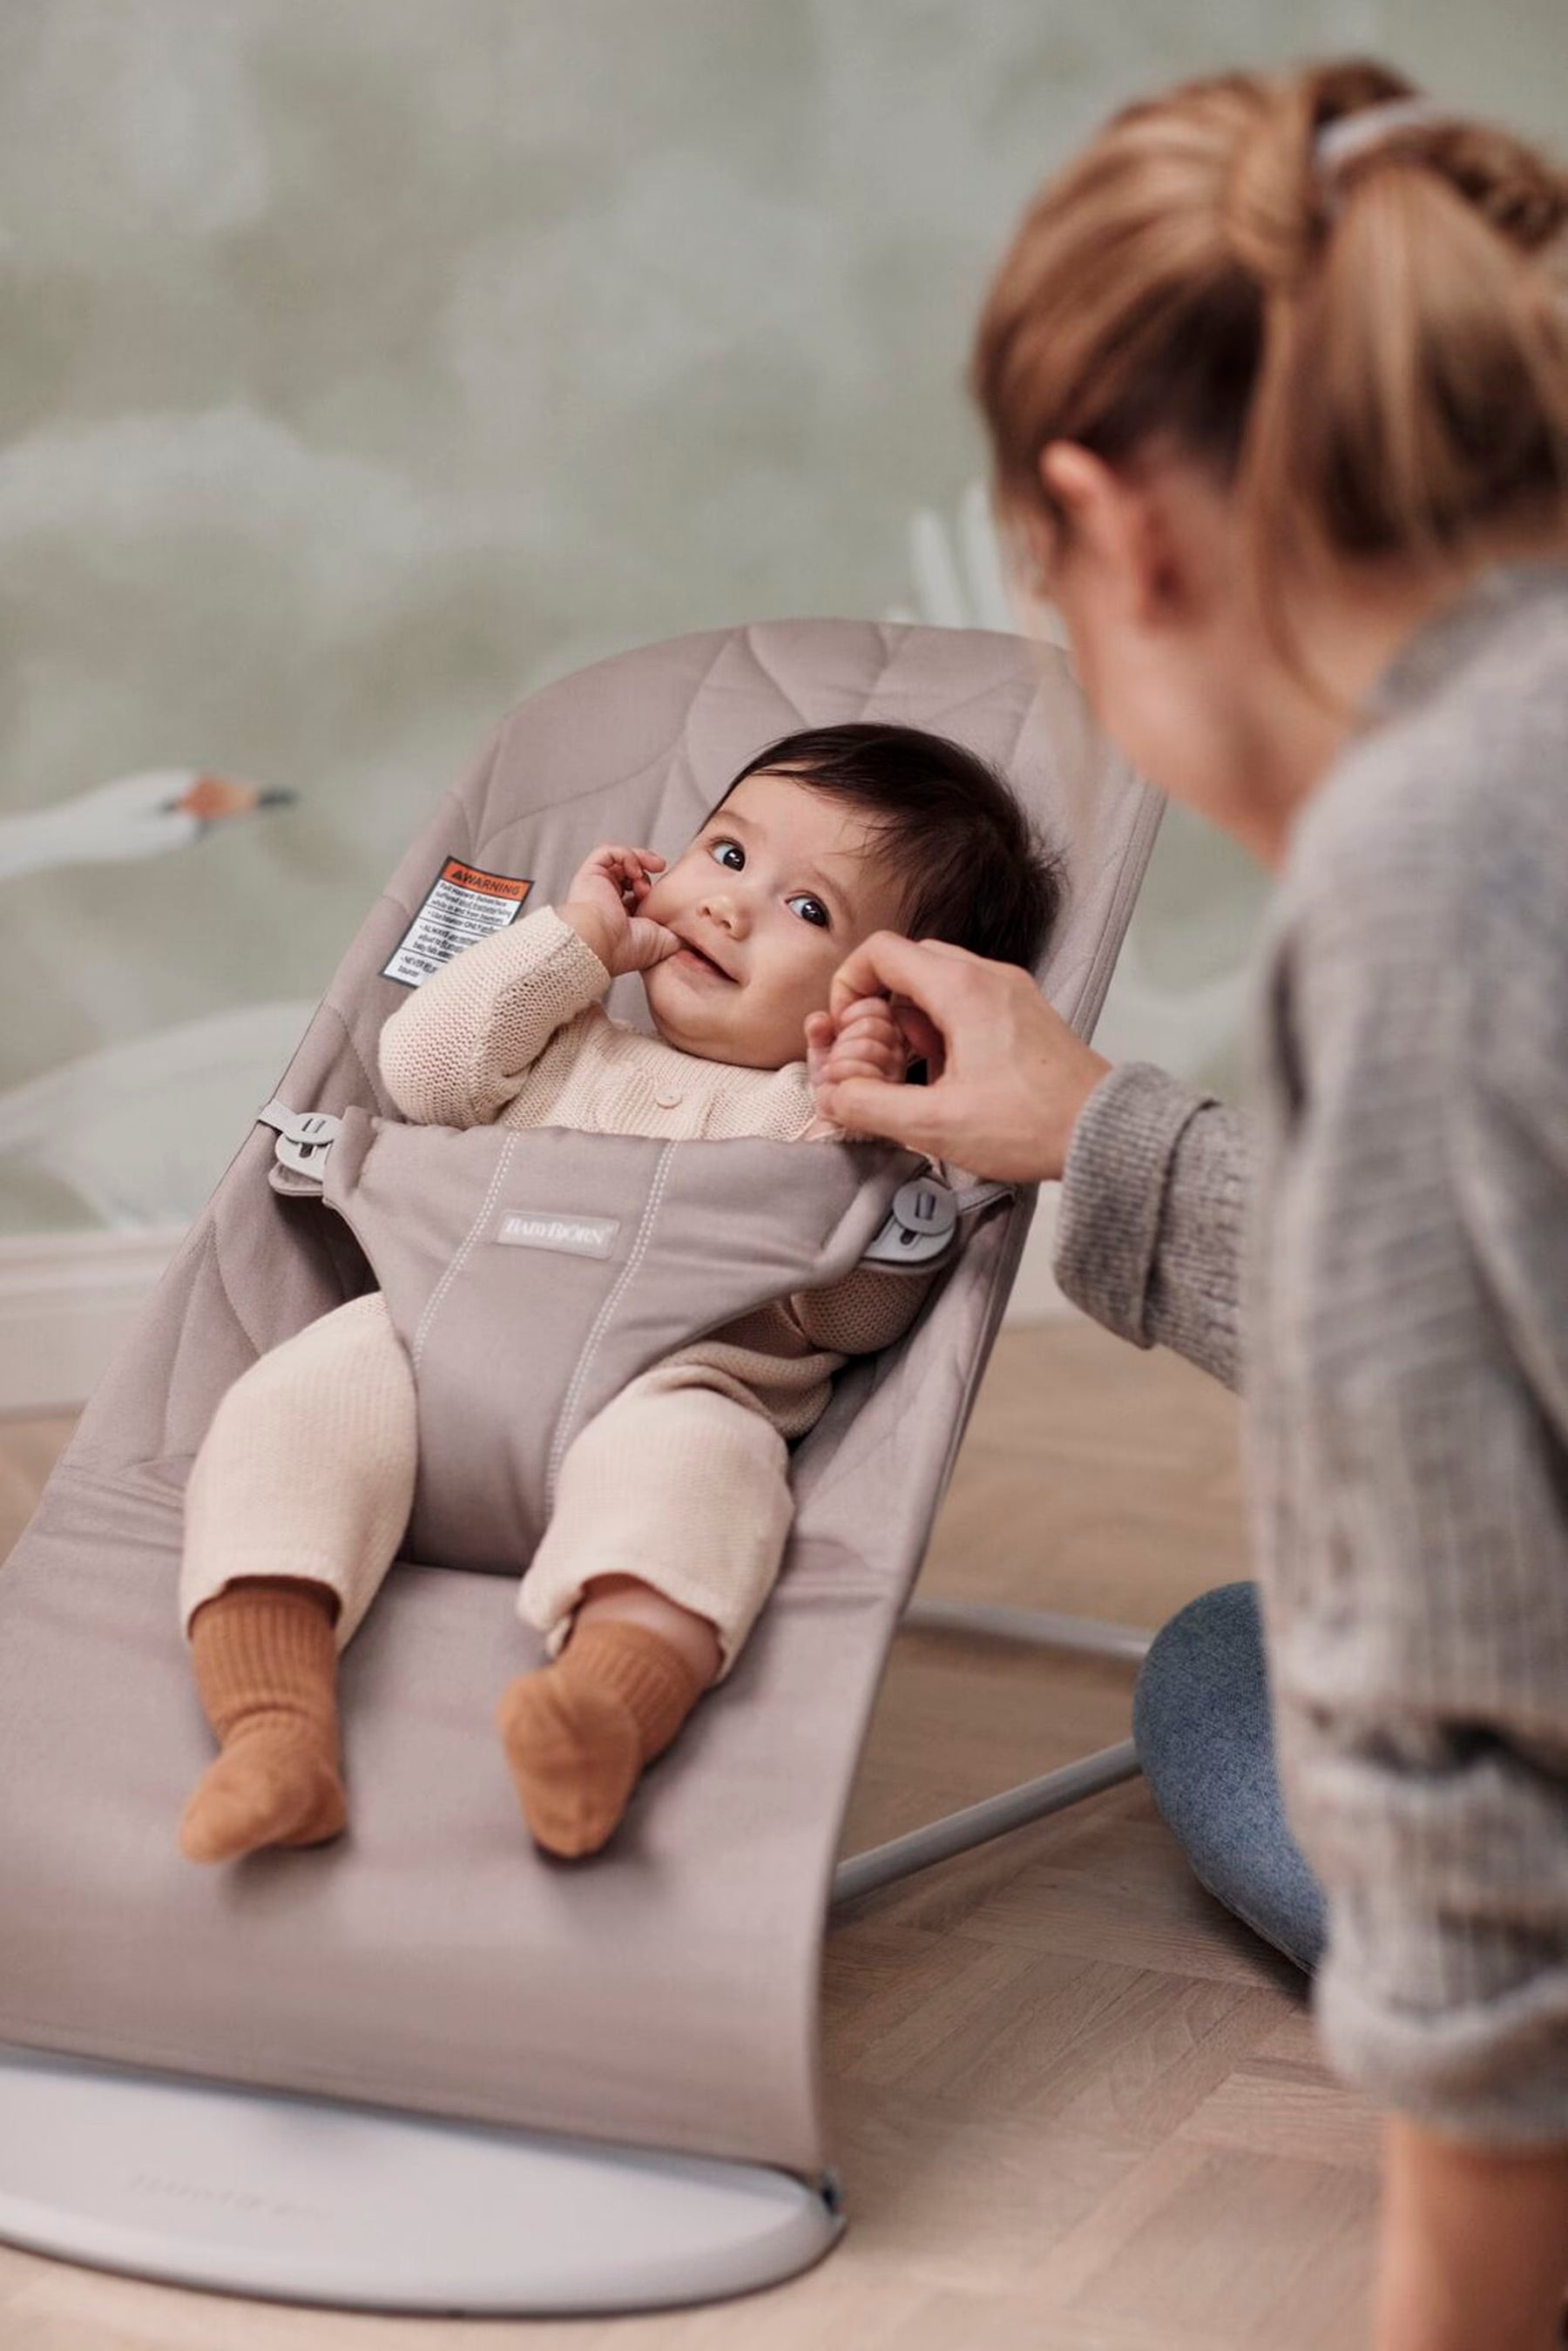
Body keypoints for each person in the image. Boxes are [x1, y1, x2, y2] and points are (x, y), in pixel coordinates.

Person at [808, 59, 1568, 2351]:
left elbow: (1463, 1731)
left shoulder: (1435, 858)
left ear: (1113, 529)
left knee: (1248, 1681)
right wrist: (1102, 1134)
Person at [175, 722, 1060, 1867]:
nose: (732, 907)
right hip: (416, 1352)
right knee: (284, 1416)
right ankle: (273, 1733)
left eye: (810, 911)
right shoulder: (564, 1038)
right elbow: (420, 1071)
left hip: (664, 1393)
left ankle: (604, 1713)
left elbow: (850, 1322)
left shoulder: (821, 1127)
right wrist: (577, 941)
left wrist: (862, 1127)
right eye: (728, 856)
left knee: (709, 1481)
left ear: (898, 1008)